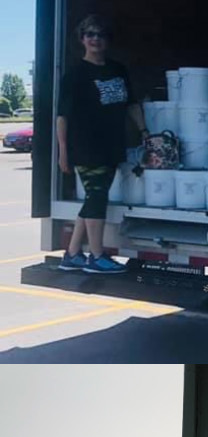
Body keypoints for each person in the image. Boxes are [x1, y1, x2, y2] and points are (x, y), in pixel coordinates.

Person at [55, 14, 144, 274]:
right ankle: (96, 256)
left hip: (112, 144)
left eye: (101, 35)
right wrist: (63, 152)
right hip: (85, 145)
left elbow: (132, 104)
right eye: (90, 34)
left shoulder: (117, 69)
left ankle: (72, 254)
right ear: (82, 39)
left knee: (95, 196)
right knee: (97, 195)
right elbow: (63, 117)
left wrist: (144, 130)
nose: (96, 39)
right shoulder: (75, 75)